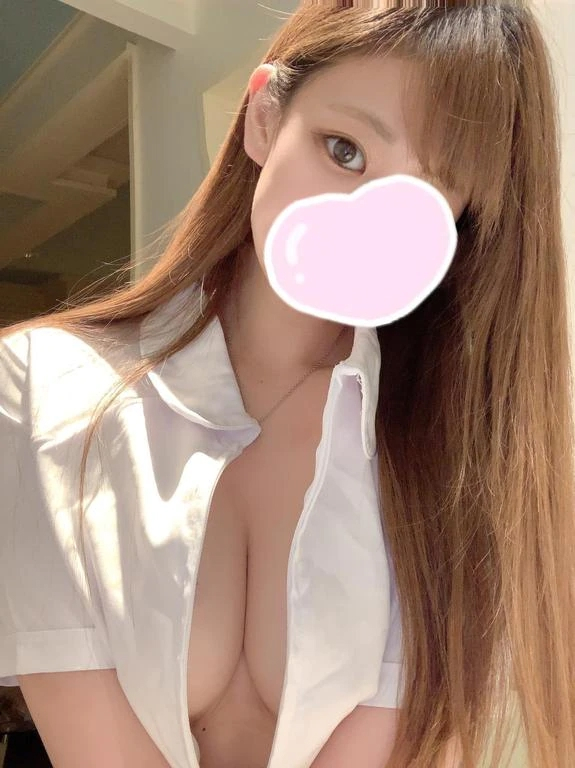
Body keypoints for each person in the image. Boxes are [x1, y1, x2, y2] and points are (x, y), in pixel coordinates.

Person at [1, 1, 574, 767]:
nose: (364, 221)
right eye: (343, 150)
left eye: (427, 195)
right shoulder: (41, 387)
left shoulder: (452, 462)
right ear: (264, 117)